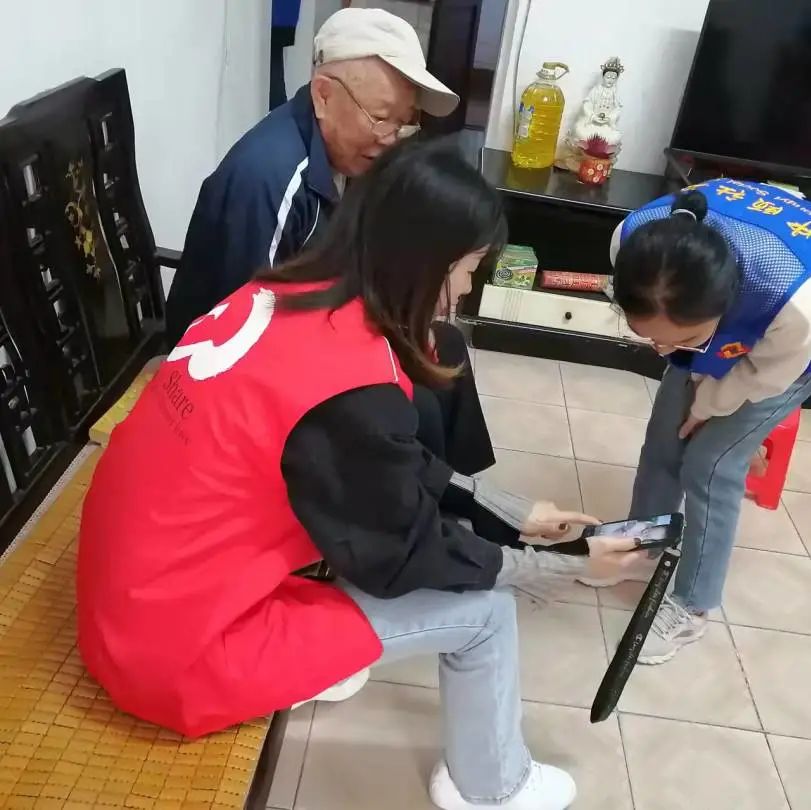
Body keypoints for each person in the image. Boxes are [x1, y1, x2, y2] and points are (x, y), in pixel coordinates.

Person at [78, 139, 644, 810]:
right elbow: (401, 549)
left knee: (389, 546)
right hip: (175, 655)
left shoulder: (286, 292)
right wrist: (559, 567)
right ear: (424, 261)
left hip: (129, 597)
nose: (464, 289)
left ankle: (313, 663)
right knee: (486, 611)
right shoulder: (350, 391)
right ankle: (491, 786)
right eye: (466, 269)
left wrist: (510, 509)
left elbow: (379, 461)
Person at [166, 7, 492, 476]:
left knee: (446, 349)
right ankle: (424, 507)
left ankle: (463, 500)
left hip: (310, 335)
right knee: (414, 402)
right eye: (381, 118)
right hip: (234, 385)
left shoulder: (345, 155)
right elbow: (243, 340)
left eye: (404, 123)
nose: (390, 138)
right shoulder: (272, 180)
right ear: (323, 95)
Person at [596, 177, 811, 664]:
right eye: (648, 335)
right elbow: (675, 342)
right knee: (664, 440)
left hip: (789, 359)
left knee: (712, 465)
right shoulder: (632, 242)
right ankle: (643, 545)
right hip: (717, 317)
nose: (662, 349)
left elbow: (763, 375)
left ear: (726, 307)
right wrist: (685, 359)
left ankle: (693, 604)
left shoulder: (794, 305)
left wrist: (707, 404)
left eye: (685, 338)